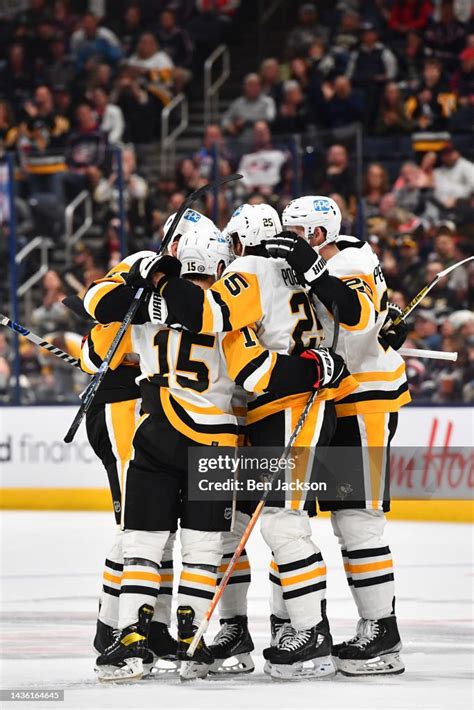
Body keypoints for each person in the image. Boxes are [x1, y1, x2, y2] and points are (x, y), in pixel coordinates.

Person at [83, 212, 344, 681]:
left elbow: (94, 338)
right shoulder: (245, 306)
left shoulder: (156, 292)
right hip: (224, 435)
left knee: (143, 539)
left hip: (158, 425)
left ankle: (127, 639)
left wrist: (146, 287)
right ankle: (196, 638)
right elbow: (255, 372)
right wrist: (320, 368)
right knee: (211, 545)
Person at [263, 195, 411, 676]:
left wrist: (313, 271)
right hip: (327, 400)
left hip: (363, 400)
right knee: (292, 517)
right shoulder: (326, 259)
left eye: (299, 233)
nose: (290, 242)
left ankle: (382, 632)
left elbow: (357, 312)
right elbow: (371, 320)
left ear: (320, 234)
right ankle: (294, 623)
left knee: (356, 521)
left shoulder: (347, 257)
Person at [64, 296, 178, 674]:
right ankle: (111, 631)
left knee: (159, 532)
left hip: (148, 412)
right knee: (136, 530)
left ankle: (154, 627)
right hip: (122, 410)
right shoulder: (126, 307)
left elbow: (93, 355)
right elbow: (93, 353)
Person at [221, 74, 276, 139]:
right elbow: (225, 118)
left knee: (260, 126)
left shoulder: (267, 102)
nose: (253, 88)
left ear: (260, 87)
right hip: (241, 141)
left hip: (261, 140)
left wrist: (246, 122)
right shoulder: (238, 103)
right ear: (245, 87)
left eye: (256, 85)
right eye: (250, 85)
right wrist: (228, 126)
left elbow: (270, 119)